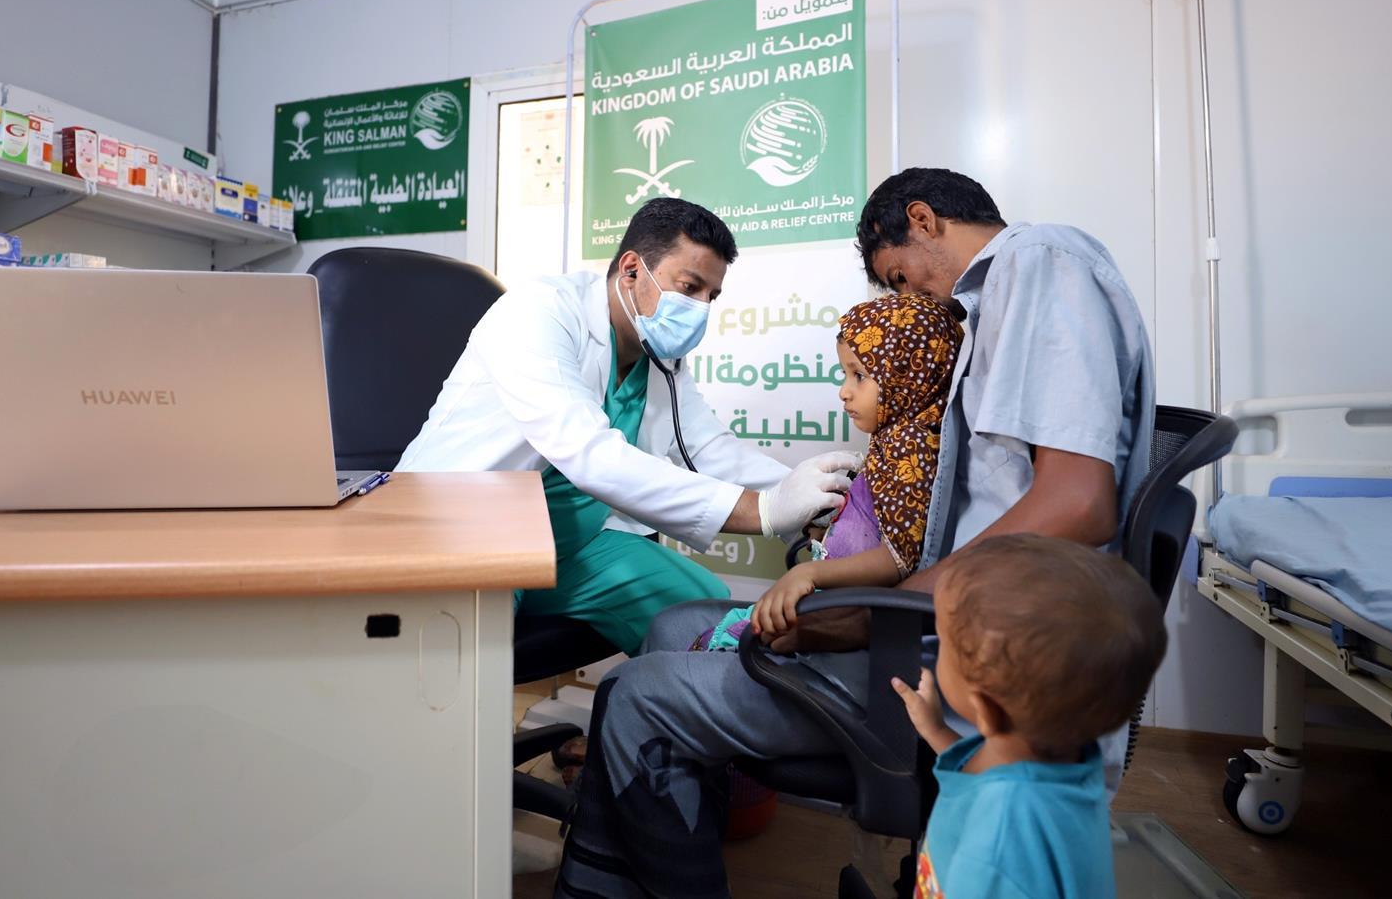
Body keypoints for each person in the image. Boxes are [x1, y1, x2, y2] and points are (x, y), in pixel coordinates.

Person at [555, 169, 1155, 899]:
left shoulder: (1039, 262)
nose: (914, 302)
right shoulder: (987, 313)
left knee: (634, 693)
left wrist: (872, 612)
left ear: (923, 220)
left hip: (966, 648)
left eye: (900, 276)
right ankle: (631, 873)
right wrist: (814, 523)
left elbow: (1079, 503)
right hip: (935, 618)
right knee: (673, 625)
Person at [397, 197, 860, 654]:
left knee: (709, 616)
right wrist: (764, 511)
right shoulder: (538, 311)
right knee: (467, 674)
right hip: (468, 534)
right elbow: (588, 453)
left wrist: (817, 500)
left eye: (711, 296)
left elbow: (708, 448)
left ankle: (682, 702)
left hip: (571, 547)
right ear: (632, 269)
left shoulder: (658, 354)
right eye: (690, 286)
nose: (701, 308)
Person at [893, 534, 1167, 899]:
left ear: (986, 710)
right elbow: (995, 775)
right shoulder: (1070, 762)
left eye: (943, 643)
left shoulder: (994, 849)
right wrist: (936, 730)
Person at [699, 293, 962, 651]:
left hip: (843, 610)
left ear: (906, 374)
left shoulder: (912, 449)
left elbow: (897, 559)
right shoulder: (894, 439)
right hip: (837, 598)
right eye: (845, 375)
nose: (844, 392)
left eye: (860, 376)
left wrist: (809, 573)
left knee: (730, 641)